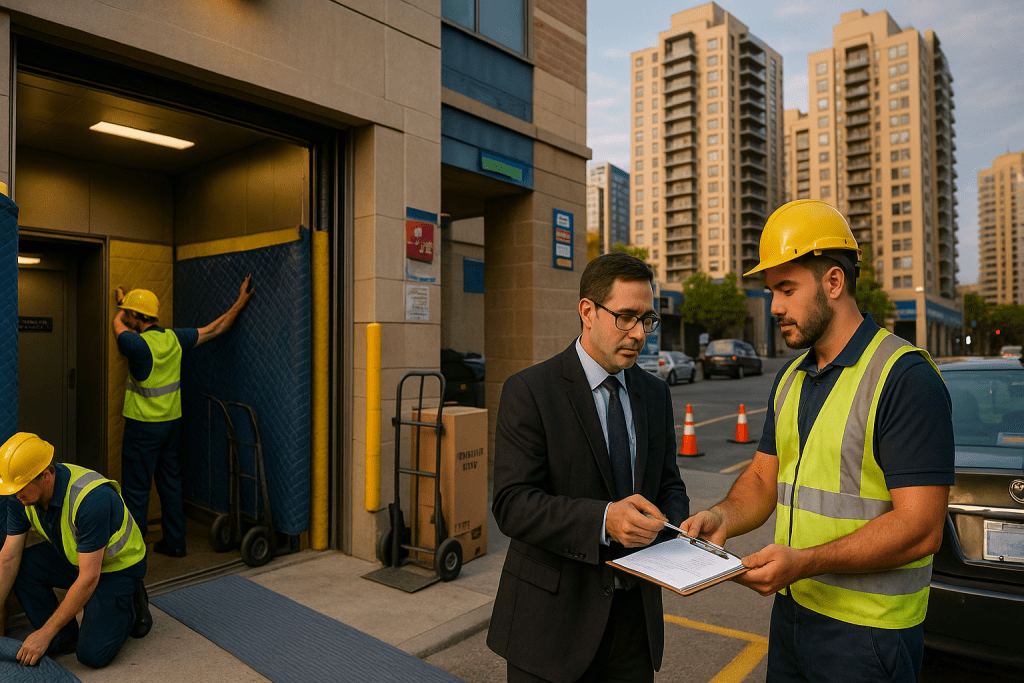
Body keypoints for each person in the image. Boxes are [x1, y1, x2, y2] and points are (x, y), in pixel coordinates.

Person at [680, 200, 954, 683]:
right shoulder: (791, 377)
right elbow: (765, 477)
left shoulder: (904, 377)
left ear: (833, 282)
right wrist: (722, 515)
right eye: (771, 292)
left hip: (870, 635)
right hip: (793, 618)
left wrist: (805, 562)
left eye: (787, 289)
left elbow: (922, 527)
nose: (775, 307)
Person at [487, 253, 690, 683]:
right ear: (587, 312)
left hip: (634, 627)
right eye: (625, 317)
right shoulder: (530, 391)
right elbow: (512, 504)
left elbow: (668, 483)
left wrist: (680, 529)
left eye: (646, 319)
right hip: (550, 631)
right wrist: (604, 520)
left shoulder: (654, 394)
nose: (639, 334)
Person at [113, 275, 254, 557]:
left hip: (142, 430)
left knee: (137, 491)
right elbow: (217, 328)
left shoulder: (135, 345)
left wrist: (120, 305)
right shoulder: (176, 339)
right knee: (170, 484)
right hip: (170, 427)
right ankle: (175, 543)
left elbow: (118, 325)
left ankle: (133, 554)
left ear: (135, 317)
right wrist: (241, 300)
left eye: (130, 313)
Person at [0, 432, 151, 668]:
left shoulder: (92, 499)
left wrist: (43, 633)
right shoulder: (21, 496)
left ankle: (131, 601)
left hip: (115, 568)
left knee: (93, 655)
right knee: (22, 567)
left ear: (46, 475)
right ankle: (64, 636)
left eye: (20, 487)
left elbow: (89, 578)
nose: (15, 494)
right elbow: (8, 558)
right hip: (75, 558)